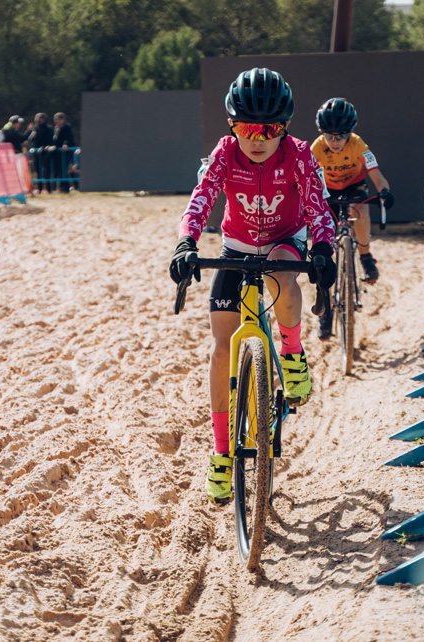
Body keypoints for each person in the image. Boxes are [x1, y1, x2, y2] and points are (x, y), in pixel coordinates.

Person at [168, 67, 336, 506]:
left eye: (269, 129)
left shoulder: (299, 155)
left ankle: (293, 352)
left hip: (284, 240)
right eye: (246, 128)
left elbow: (318, 205)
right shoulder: (225, 152)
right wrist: (187, 240)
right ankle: (222, 453)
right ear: (232, 126)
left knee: (283, 274)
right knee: (222, 346)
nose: (257, 138)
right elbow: (202, 195)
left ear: (284, 128)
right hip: (236, 246)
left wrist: (323, 249)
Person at [310, 97, 394, 340]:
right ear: (322, 133)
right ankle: (325, 311)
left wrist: (384, 190)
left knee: (362, 208)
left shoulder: (358, 145)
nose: (334, 142)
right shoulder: (316, 148)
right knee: (323, 253)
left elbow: (375, 173)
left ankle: (366, 256)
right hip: (328, 192)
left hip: (354, 187)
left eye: (340, 137)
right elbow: (303, 177)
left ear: (350, 134)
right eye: (329, 136)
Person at [27, 112, 54, 193]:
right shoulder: (35, 128)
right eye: (36, 118)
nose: (37, 120)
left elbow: (50, 139)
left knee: (46, 170)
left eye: (40, 118)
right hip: (36, 151)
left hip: (46, 151)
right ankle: (39, 188)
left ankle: (49, 188)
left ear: (44, 119)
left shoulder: (48, 128)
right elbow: (30, 139)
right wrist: (31, 134)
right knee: (37, 170)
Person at [53, 112, 76, 192]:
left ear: (63, 119)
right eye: (55, 120)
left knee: (65, 169)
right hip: (60, 153)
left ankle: (67, 188)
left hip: (67, 152)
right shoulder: (56, 129)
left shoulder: (67, 127)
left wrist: (65, 144)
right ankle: (61, 187)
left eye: (58, 119)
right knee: (60, 170)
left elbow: (68, 138)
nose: (56, 121)